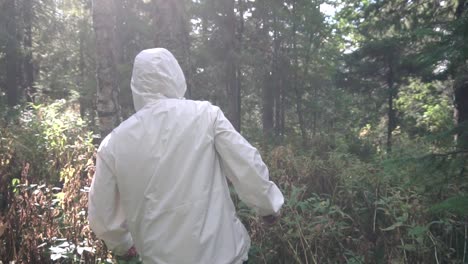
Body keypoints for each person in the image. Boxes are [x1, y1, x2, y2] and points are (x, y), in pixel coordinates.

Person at [88, 48, 284, 264]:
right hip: (224, 255)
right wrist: (268, 205)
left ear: (136, 85)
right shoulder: (205, 115)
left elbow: (103, 216)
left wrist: (123, 245)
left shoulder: (114, 144)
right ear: (176, 76)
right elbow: (247, 165)